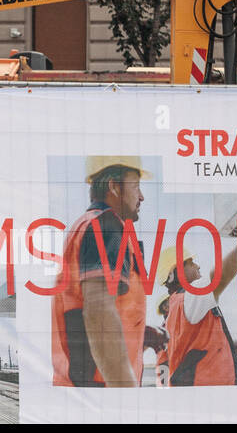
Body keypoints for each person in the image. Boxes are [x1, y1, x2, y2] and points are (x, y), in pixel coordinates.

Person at [52, 156, 166, 387]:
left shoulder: (88, 224)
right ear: (114, 187)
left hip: (85, 383)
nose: (141, 196)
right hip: (101, 387)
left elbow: (89, 309)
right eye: (135, 187)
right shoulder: (105, 224)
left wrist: (141, 333)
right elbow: (99, 312)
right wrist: (124, 394)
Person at [157, 233, 237, 386]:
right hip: (205, 394)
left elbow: (193, 345)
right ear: (176, 273)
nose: (197, 266)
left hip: (200, 393)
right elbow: (220, 277)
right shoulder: (189, 297)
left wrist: (227, 344)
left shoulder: (180, 303)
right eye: (191, 263)